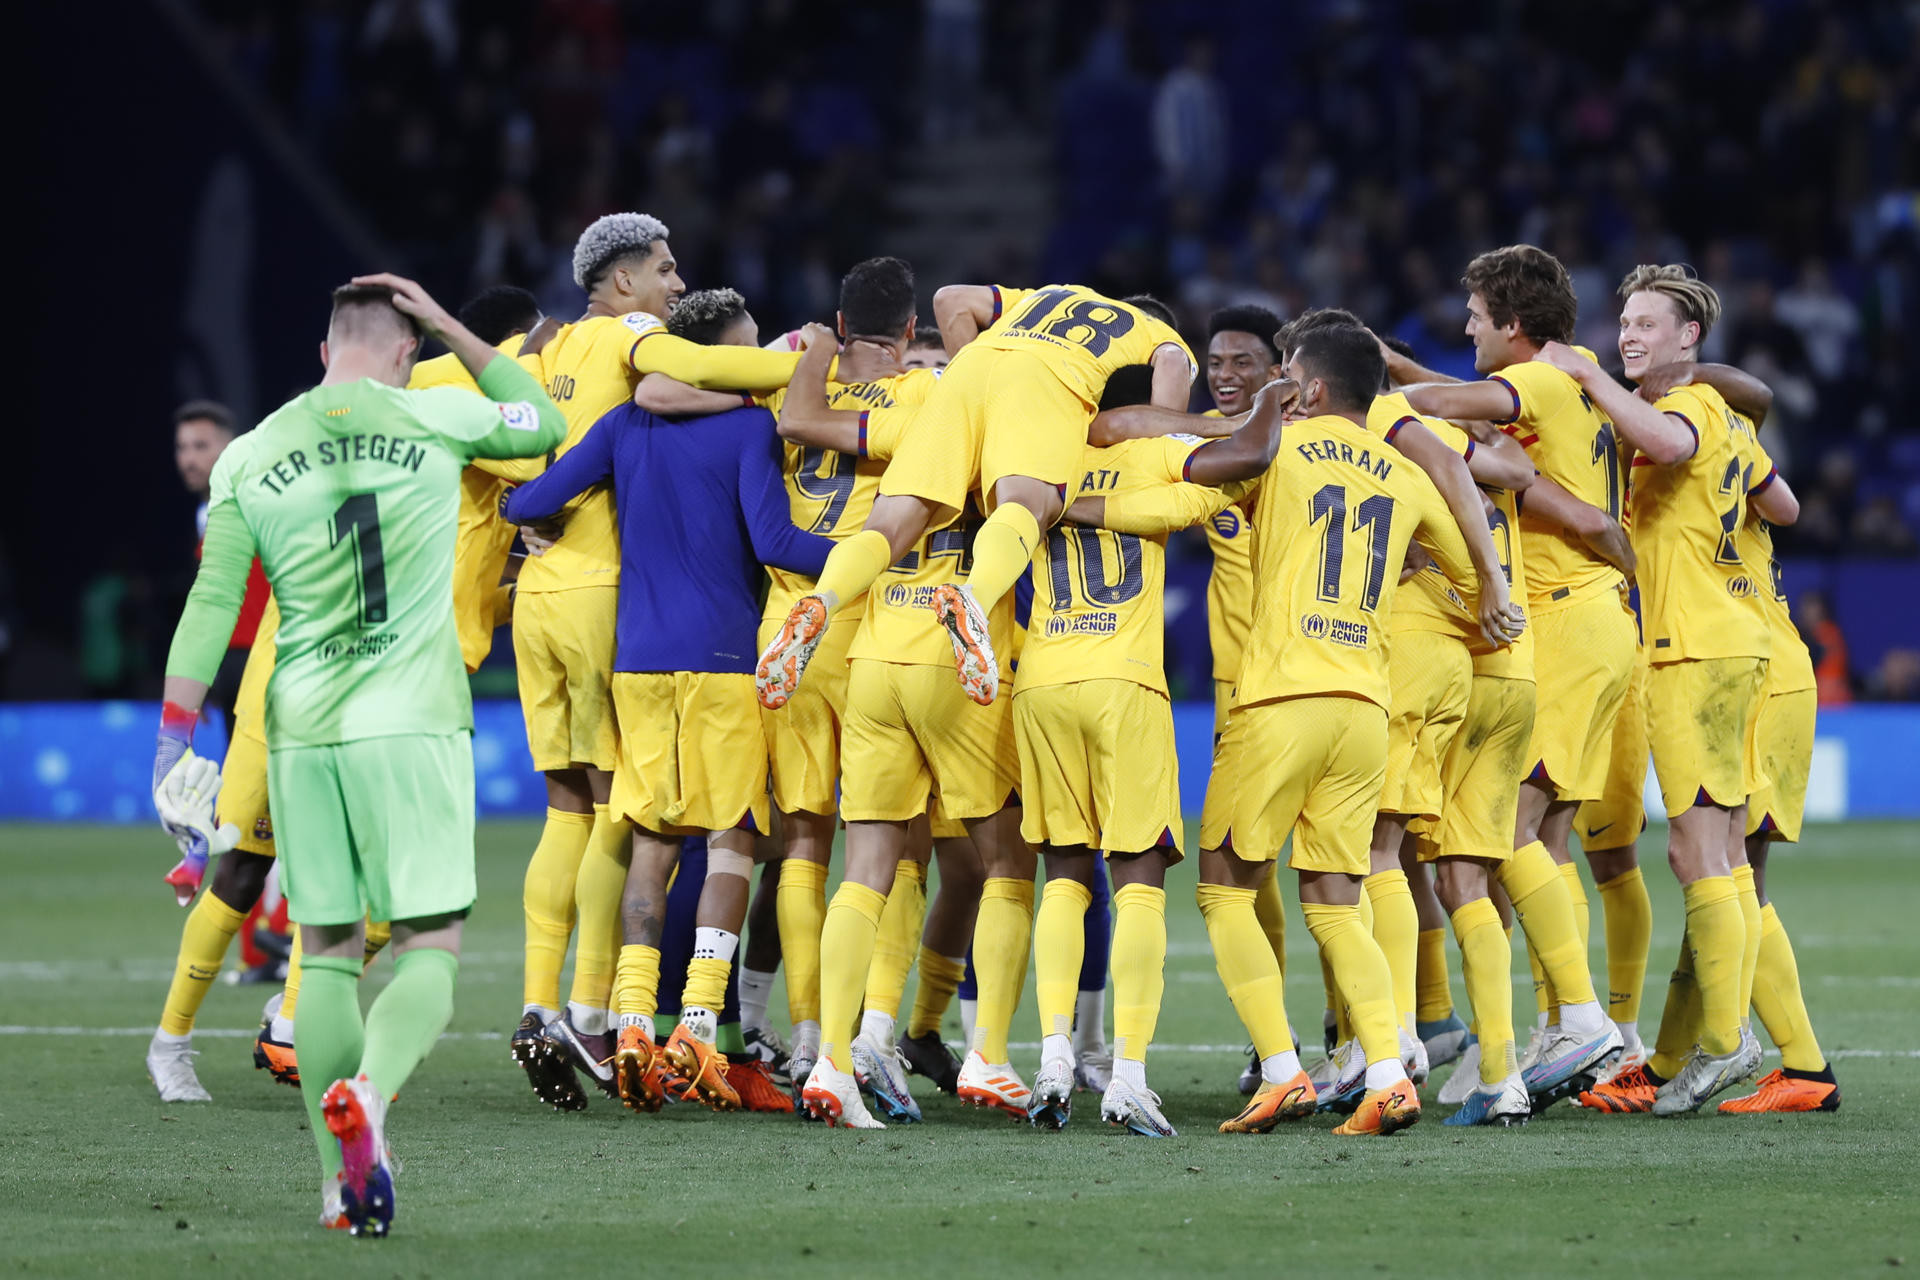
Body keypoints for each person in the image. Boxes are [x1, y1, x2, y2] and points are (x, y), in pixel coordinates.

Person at [150, 275, 565, 1236]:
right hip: (411, 717)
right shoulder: (436, 414)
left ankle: (339, 1184)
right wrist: (455, 327)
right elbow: (541, 421)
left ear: (325, 349)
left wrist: (174, 739)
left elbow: (212, 605)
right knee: (429, 946)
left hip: (300, 725)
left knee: (324, 955)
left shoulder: (250, 454)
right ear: (404, 349)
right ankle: (370, 1097)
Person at [501, 291, 834, 1116]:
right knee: (731, 844)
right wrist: (881, 554)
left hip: (637, 660)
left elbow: (526, 502)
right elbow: (777, 542)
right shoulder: (749, 427)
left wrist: (538, 529)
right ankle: (694, 1030)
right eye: (746, 349)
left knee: (650, 839)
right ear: (719, 356)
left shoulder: (623, 428)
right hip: (722, 657)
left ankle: (630, 1027)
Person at [1182, 323, 1510, 1136]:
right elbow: (1469, 564)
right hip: (1364, 703)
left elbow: (1185, 477)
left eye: (1286, 374)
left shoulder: (1275, 447)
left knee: (1223, 881)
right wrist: (1437, 575)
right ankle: (1390, 1072)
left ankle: (1283, 1069)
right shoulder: (1403, 474)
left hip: (1280, 698)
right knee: (1337, 894)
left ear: (1312, 388)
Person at [1530, 264, 1796, 1114]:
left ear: (1690, 339)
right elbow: (1782, 506)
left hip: (1693, 649)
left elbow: (1675, 445)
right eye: (1627, 322)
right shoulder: (1719, 414)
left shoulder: (1678, 413)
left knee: (1698, 854)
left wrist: (1588, 376)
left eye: (1651, 323)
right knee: (1716, 857)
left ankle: (1725, 1041)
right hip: (1737, 641)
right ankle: (1718, 1042)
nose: (1631, 333)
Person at [1393, 245, 1627, 1098]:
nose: (1464, 328)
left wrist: (1367, 397)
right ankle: (1558, 1023)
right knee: (1545, 840)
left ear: (1514, 327)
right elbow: (1474, 405)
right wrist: (1391, 365)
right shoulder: (1579, 372)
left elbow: (1453, 407)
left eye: (1476, 317)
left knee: (1505, 835)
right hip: (1599, 623)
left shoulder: (1536, 385)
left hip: (1562, 617)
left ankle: (1579, 1015)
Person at [756, 283, 1195, 711]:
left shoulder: (1046, 295)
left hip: (965, 375)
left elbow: (949, 300)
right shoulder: (1159, 334)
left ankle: (824, 599)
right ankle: (974, 601)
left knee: (889, 527)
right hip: (1041, 384)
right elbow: (1166, 419)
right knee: (1026, 506)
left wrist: (979, 395)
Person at [1018, 407, 1229, 1136]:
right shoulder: (1160, 459)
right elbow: (1226, 481)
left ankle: (1052, 1057)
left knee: (1064, 878)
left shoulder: (1035, 458)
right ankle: (1127, 1076)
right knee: (1139, 881)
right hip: (1125, 683)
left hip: (1043, 680)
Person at [176, 400, 272, 722]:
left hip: (264, 664)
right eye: (182, 447)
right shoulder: (203, 515)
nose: (189, 459)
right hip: (230, 670)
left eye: (201, 446)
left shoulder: (259, 503)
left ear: (231, 448)